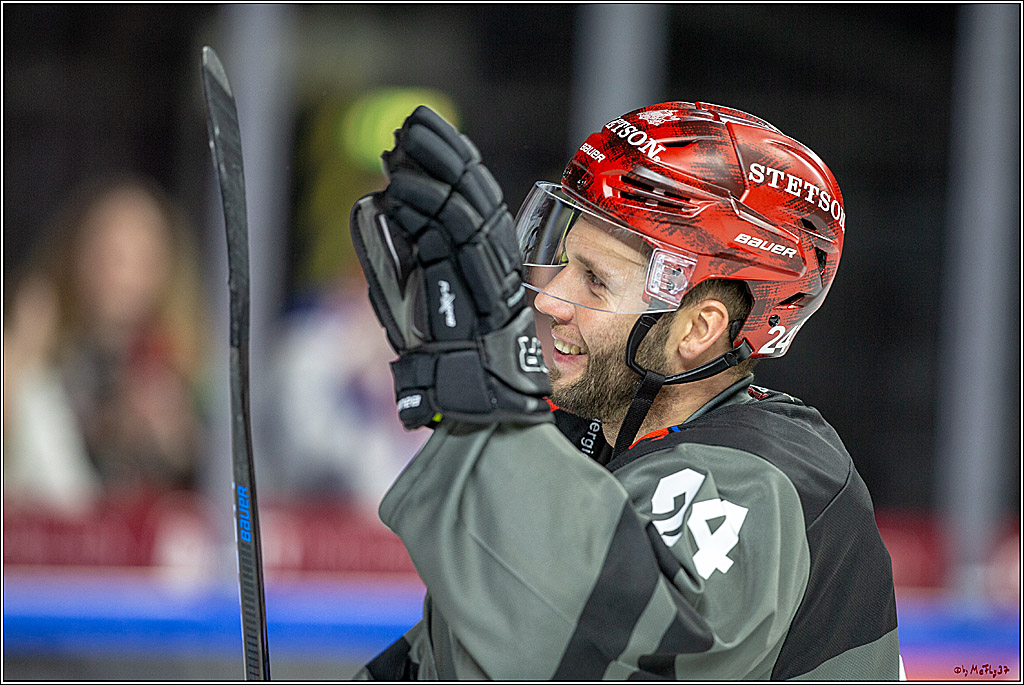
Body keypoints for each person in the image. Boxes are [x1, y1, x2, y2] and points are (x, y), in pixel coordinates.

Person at [348, 103, 902, 679]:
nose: (548, 300)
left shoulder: (768, 479)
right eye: (562, 261)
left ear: (697, 329)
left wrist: (480, 408)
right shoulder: (586, 442)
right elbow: (446, 661)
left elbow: (587, 652)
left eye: (594, 279)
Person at [3, 175, 209, 507]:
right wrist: (18, 357)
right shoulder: (46, 350)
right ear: (76, 253)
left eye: (141, 257)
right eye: (109, 252)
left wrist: (179, 439)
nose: (121, 273)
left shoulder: (181, 363)